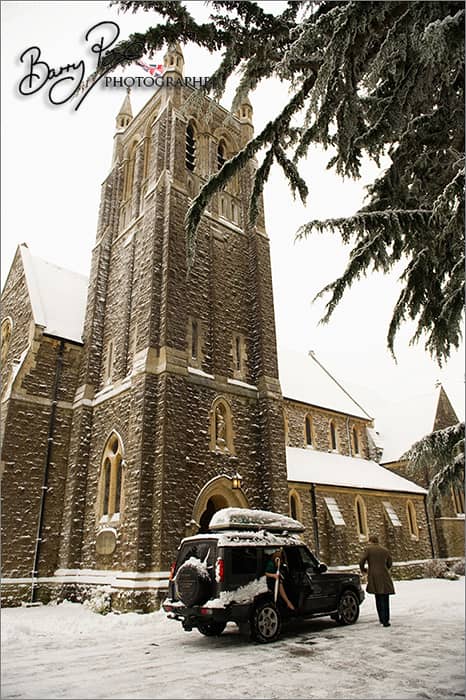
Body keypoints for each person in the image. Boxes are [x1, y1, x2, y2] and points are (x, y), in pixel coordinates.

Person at [359, 534, 395, 627]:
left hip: (374, 576)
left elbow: (362, 561)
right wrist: (384, 568)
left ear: (370, 541)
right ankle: (386, 620)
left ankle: (381, 618)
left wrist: (363, 570)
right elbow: (390, 563)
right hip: (385, 575)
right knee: (385, 598)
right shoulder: (385, 550)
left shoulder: (368, 550)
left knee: (378, 597)